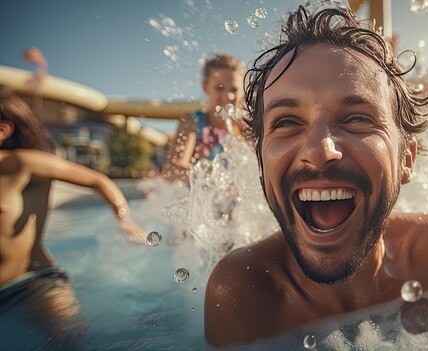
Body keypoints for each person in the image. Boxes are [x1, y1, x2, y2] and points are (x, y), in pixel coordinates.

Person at [204, 6, 428, 346]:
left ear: (406, 160)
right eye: (287, 122)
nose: (319, 150)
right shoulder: (242, 295)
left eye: (357, 118)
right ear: (261, 165)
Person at [0, 86, 144, 337]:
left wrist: (126, 223)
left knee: (73, 341)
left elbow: (100, 181)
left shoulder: (22, 163)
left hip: (34, 284)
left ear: (3, 130)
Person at [162, 52, 246, 183]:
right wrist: (218, 176)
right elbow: (172, 171)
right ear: (205, 87)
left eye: (234, 89)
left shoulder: (245, 127)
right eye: (219, 88)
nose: (228, 96)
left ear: (243, 91)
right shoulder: (193, 121)